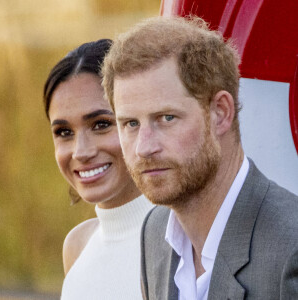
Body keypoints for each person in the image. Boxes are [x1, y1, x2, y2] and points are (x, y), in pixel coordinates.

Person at [102, 17, 298, 299]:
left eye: (166, 118)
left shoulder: (291, 249)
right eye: (130, 124)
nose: (143, 148)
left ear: (220, 112)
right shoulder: (155, 233)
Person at [43, 39, 154, 300]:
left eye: (101, 124)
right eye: (64, 132)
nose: (81, 151)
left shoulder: (185, 239)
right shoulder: (77, 245)